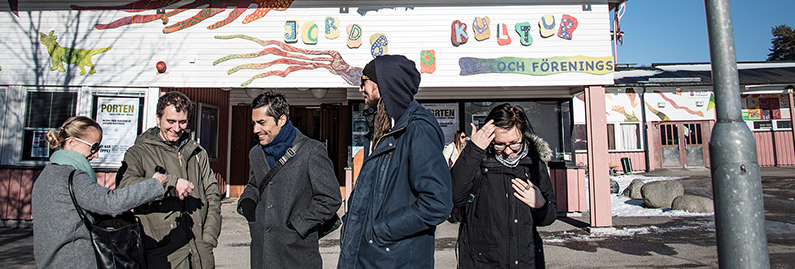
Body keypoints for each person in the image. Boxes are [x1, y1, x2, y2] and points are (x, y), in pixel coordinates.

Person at [338, 54, 452, 269]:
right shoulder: (383, 129)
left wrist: (380, 230)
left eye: (365, 82)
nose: (361, 89)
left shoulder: (417, 129)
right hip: (369, 256)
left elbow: (437, 203)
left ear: (383, 85)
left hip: (393, 259)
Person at [32, 116, 167, 269]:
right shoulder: (73, 176)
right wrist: (155, 185)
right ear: (72, 142)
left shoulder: (47, 173)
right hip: (74, 262)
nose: (96, 155)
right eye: (94, 147)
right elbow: (110, 203)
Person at [236, 91, 342, 269]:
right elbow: (255, 184)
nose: (255, 130)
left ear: (282, 120)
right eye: (254, 123)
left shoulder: (312, 151)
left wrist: (297, 226)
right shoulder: (255, 153)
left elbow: (330, 199)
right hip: (261, 254)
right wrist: (248, 202)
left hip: (297, 254)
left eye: (262, 123)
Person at [117, 92, 222, 269]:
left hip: (200, 251)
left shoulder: (197, 152)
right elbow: (124, 188)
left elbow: (212, 194)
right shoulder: (138, 152)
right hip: (162, 252)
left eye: (182, 122)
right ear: (158, 119)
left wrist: (209, 237)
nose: (177, 128)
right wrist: (170, 183)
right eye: (170, 121)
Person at [451, 103, 558, 269]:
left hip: (526, 260)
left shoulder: (533, 163)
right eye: (500, 144)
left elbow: (549, 217)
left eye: (514, 143)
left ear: (523, 135)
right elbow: (454, 199)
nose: (508, 151)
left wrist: (541, 204)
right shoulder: (477, 161)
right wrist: (473, 151)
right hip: (482, 261)